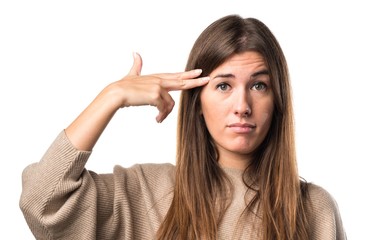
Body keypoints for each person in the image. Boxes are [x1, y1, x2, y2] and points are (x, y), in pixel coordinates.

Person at [20, 14, 346, 240]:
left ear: (278, 100)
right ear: (198, 103)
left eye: (259, 85)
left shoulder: (314, 209)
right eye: (223, 86)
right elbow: (42, 201)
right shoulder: (147, 192)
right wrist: (112, 96)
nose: (242, 105)